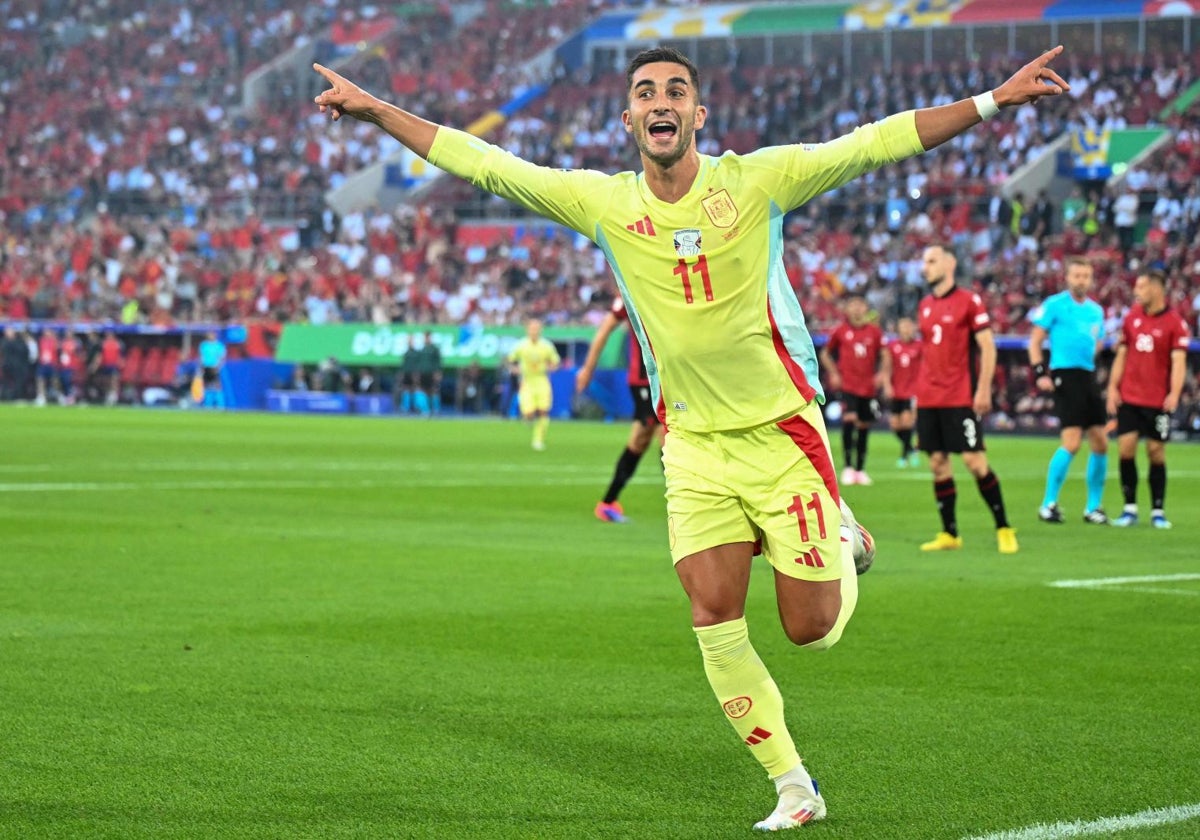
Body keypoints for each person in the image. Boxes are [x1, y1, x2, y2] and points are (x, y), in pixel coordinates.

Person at [313, 45, 1064, 829]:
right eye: (645, 92)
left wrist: (990, 101)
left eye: (676, 90)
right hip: (694, 447)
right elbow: (487, 164)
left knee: (807, 631)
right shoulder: (602, 203)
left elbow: (874, 141)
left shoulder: (757, 180)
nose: (660, 101)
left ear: (698, 114)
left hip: (783, 434)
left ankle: (843, 539)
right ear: (629, 117)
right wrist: (375, 109)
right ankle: (793, 786)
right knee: (713, 617)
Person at [915, 244, 1019, 554]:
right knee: (937, 463)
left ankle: (1004, 527)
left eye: (931, 260)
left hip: (959, 396)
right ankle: (950, 534)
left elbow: (988, 347)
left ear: (950, 264)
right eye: (924, 261)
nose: (926, 267)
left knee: (975, 462)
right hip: (929, 397)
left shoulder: (969, 301)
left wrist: (983, 388)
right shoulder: (925, 305)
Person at [1105, 269, 1190, 529]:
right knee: (1126, 448)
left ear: (1156, 288)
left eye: (1141, 286)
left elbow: (1178, 363)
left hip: (1157, 400)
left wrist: (1174, 394)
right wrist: (1112, 388)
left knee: (1156, 452)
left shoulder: (1175, 323)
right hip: (1130, 396)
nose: (1136, 291)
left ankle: (1157, 510)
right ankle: (1130, 508)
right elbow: (1121, 354)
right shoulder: (1132, 318)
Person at [1028, 257, 1110, 524]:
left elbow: (1097, 343)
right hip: (1065, 374)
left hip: (1087, 375)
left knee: (1100, 441)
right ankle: (1048, 503)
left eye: (1085, 276)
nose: (1081, 280)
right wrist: (1041, 372)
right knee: (1072, 442)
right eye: (1077, 275)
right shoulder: (1054, 305)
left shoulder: (1096, 311)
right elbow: (1035, 341)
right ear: (1067, 277)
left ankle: (1093, 507)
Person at [576, 296, 664, 523]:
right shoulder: (630, 291)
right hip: (645, 380)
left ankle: (607, 503)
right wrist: (587, 369)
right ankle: (687, 508)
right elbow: (605, 330)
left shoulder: (667, 284)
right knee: (667, 437)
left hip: (669, 377)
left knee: (640, 441)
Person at [819, 293, 883, 486]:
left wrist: (882, 375)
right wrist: (835, 374)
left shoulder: (874, 332)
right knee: (849, 421)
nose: (856, 308)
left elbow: (886, 354)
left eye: (860, 304)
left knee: (864, 426)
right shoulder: (840, 331)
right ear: (847, 309)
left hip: (868, 386)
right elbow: (825, 354)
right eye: (852, 304)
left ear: (865, 308)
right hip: (847, 385)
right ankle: (847, 468)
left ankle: (860, 469)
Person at [507, 318, 561, 450]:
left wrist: (552, 367)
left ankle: (538, 440)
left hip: (542, 380)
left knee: (543, 411)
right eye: (532, 328)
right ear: (527, 330)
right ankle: (528, 418)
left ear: (540, 330)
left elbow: (555, 362)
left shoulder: (546, 346)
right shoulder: (521, 345)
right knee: (529, 414)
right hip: (527, 381)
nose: (534, 331)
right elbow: (510, 360)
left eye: (537, 328)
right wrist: (513, 369)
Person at [880, 316, 922, 467]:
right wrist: (887, 385)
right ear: (898, 329)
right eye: (903, 326)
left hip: (912, 391)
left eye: (909, 326)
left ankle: (904, 456)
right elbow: (887, 368)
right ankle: (912, 449)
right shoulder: (892, 346)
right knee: (895, 425)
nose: (906, 329)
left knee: (906, 421)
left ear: (914, 328)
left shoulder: (919, 346)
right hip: (896, 390)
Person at [198, 331, 227, 408]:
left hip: (214, 367)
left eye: (212, 335)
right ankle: (208, 404)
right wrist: (201, 367)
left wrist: (218, 367)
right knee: (206, 385)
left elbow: (222, 358)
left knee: (217, 385)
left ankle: (221, 405)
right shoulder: (203, 345)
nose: (210, 336)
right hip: (206, 367)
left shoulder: (219, 345)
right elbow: (201, 357)